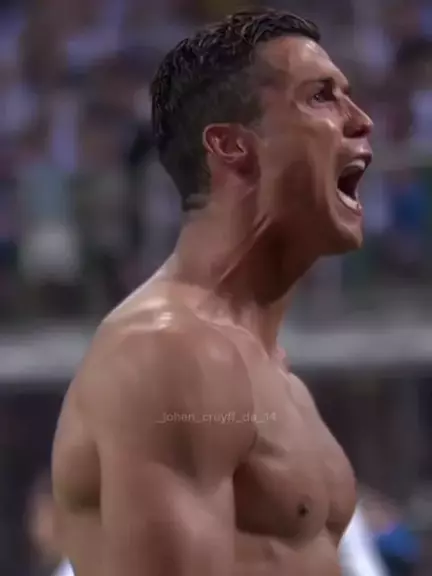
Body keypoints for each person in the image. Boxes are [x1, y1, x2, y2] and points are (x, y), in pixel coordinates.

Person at [52, 8, 373, 576]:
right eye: (321, 97)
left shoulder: (275, 376)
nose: (361, 121)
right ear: (232, 146)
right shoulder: (169, 349)